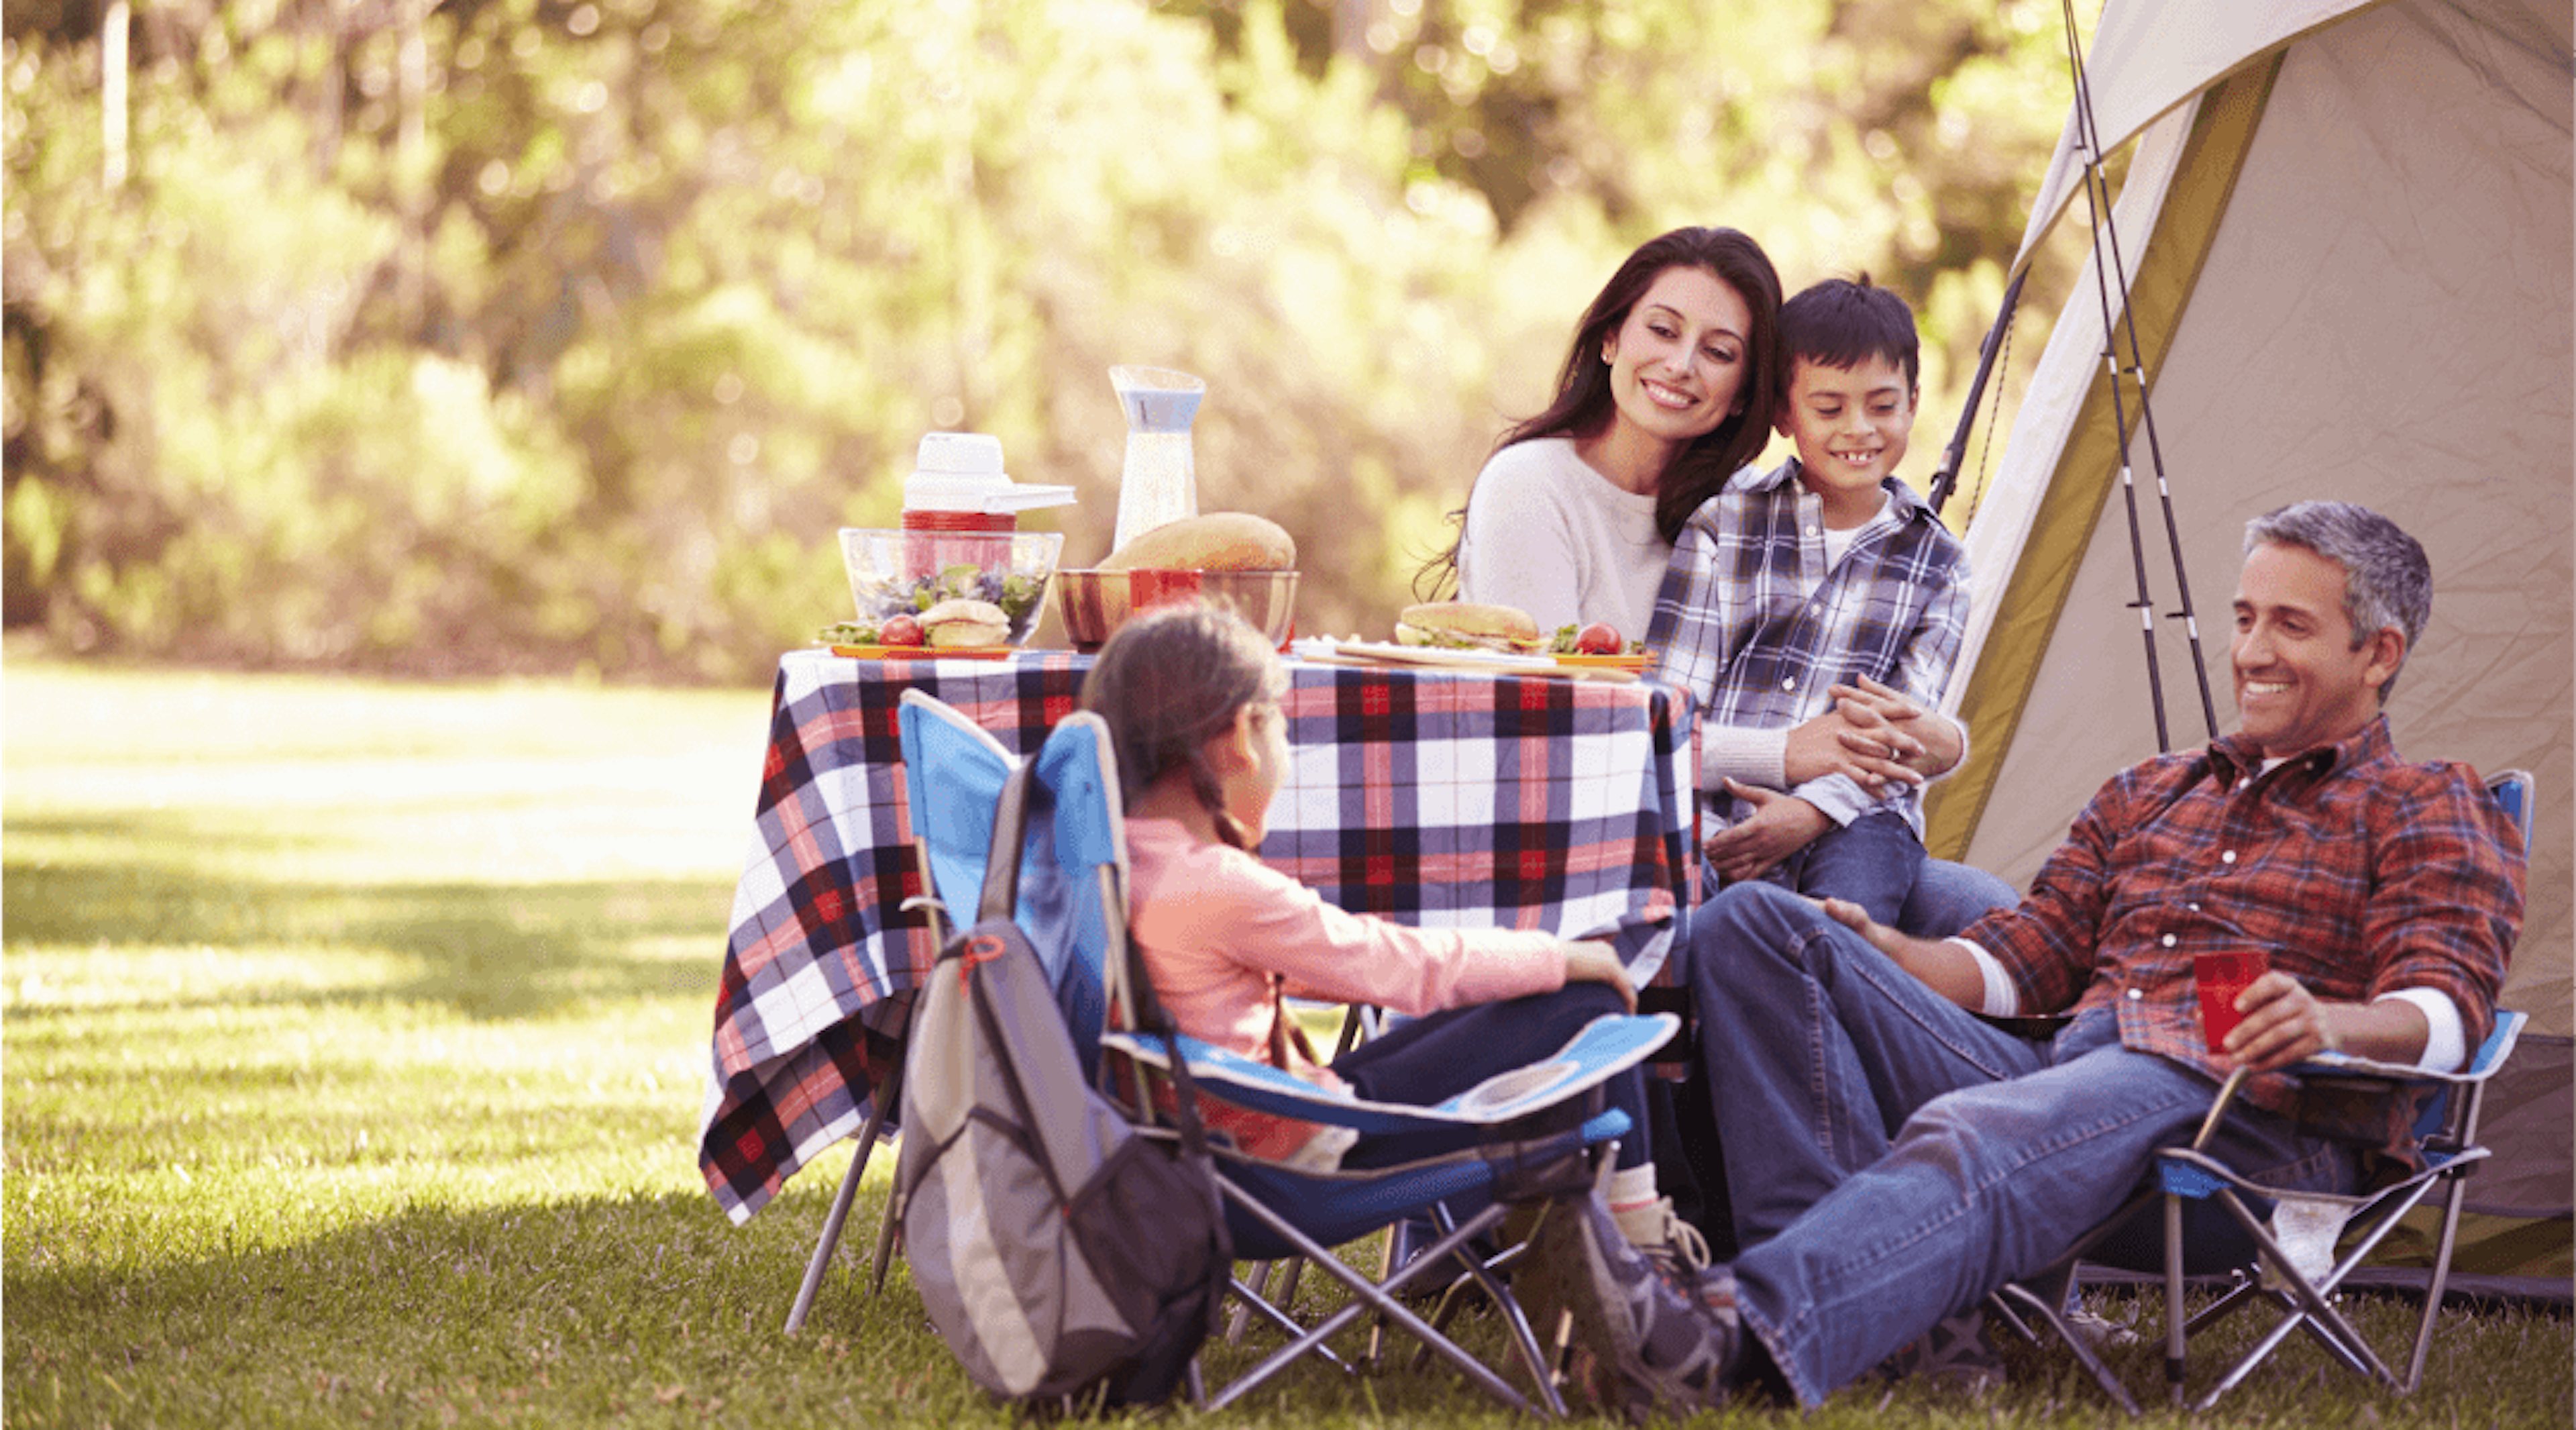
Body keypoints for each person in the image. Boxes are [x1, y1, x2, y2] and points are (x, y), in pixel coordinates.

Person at [1516, 499, 2525, 1409]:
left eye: (2291, 624)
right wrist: (1884, 952)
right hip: (2070, 1077)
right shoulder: (2153, 789)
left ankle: (1720, 1334)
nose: (2252, 649)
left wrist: (2328, 1021)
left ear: (2379, 652)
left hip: (2246, 1131)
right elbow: (2024, 956)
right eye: (2245, 615)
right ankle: (1901, 1325)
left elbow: (2451, 1004)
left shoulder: (2431, 800)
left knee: (1986, 1117)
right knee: (1753, 929)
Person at [1077, 600, 1703, 1272]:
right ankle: (1645, 1259)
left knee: (1517, 998)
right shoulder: (1218, 887)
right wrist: (1565, 954)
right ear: (1239, 736)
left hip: (1215, 1157)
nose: (1285, 755)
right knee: (1586, 1004)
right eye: (1282, 729)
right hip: (1298, 1169)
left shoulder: (1120, 862)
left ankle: (1589, 1246)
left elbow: (1321, 962)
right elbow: (1401, 969)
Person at [1646, 274, 1972, 929]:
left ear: (1913, 401)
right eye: (1829, 409)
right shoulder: (1725, 528)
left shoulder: (1940, 566)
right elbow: (1664, 717)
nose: (1859, 429)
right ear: (1784, 414)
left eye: (1882, 405)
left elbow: (1903, 736)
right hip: (1712, 811)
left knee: (1836, 940)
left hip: (1858, 820)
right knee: (1690, 917)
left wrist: (1812, 811)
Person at [1426, 225, 1785, 644]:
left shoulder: (1753, 514)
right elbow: (1550, 694)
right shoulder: (1530, 484)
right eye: (1663, 331)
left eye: (1718, 352)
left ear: (1744, 391)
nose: (1681, 365)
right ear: (1611, 339)